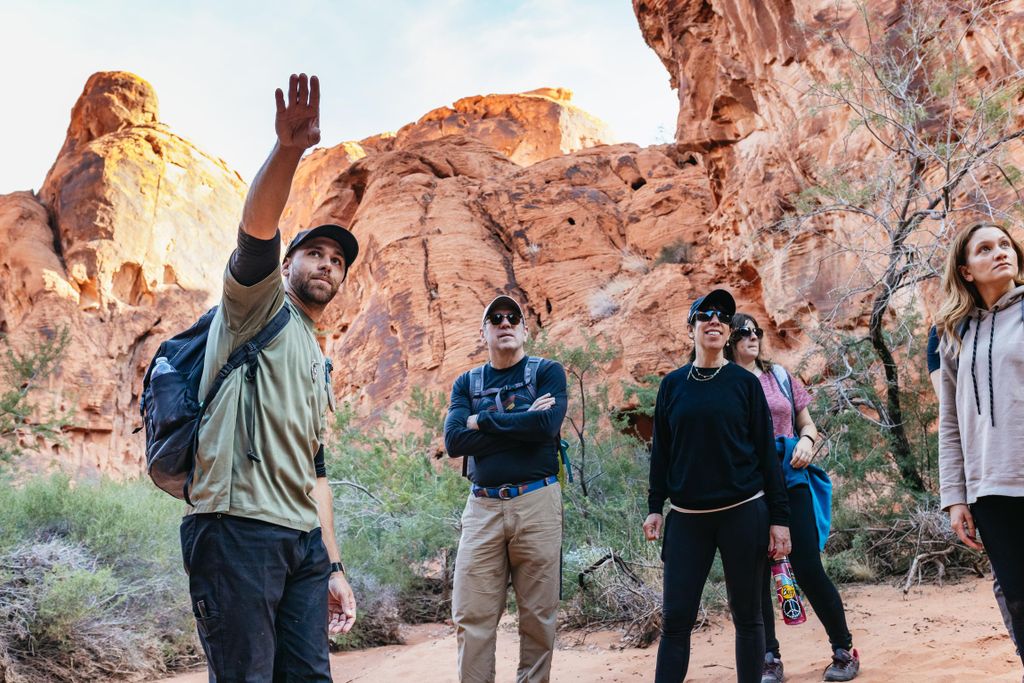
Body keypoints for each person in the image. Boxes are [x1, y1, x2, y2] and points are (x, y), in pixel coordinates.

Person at [179, 73, 357, 682]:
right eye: (315, 254)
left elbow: (317, 473)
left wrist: (333, 565)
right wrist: (288, 151)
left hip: (301, 542)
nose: (328, 266)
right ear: (287, 266)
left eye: (337, 262)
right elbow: (256, 229)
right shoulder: (255, 306)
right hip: (236, 531)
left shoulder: (315, 352)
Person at [643, 288, 791, 683]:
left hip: (744, 513)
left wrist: (780, 519)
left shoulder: (744, 384)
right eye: (705, 314)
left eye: (723, 317)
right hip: (688, 519)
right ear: (690, 327)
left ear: (727, 332)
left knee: (748, 616)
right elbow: (662, 452)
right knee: (676, 621)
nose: (715, 320)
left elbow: (766, 456)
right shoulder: (672, 385)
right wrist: (655, 506)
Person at [725, 313, 859, 682]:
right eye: (743, 332)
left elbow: (807, 422)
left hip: (789, 479)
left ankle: (843, 649)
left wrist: (807, 441)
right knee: (754, 576)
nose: (752, 337)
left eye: (757, 331)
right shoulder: (724, 382)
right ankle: (768, 657)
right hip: (748, 487)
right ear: (728, 339)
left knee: (807, 566)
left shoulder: (779, 376)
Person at [443, 295, 569, 683]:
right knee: (472, 615)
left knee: (538, 616)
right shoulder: (467, 382)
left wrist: (482, 421)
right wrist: (521, 421)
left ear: (525, 329)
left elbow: (546, 428)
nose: (505, 323)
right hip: (482, 508)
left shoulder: (548, 372)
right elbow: (455, 442)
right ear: (483, 333)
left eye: (513, 317)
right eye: (495, 319)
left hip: (537, 501)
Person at [936, 222, 1024, 673]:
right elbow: (950, 423)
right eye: (985, 249)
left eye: (1005, 245)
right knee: (1016, 598)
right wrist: (955, 497)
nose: (999, 253)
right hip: (990, 489)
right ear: (966, 270)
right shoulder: (955, 335)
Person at [927, 324, 1017, 655]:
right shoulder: (947, 332)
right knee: (1009, 583)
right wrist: (955, 495)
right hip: (992, 480)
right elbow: (953, 415)